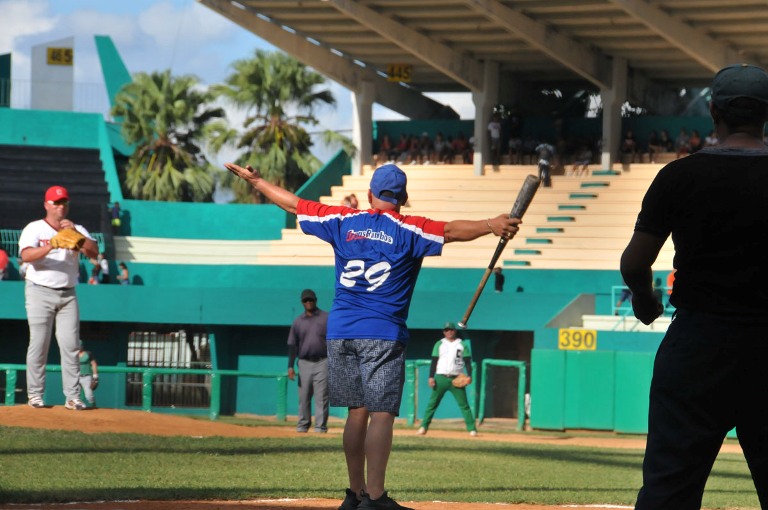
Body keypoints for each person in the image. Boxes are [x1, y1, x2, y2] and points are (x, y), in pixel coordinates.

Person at [223, 161, 521, 510]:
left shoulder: (343, 220)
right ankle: (376, 498)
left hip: (341, 331)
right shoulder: (411, 227)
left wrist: (257, 180)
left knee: (356, 413)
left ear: (369, 194)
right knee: (381, 414)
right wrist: (492, 225)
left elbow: (293, 204)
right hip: (382, 333)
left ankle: (355, 493)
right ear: (404, 198)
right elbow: (453, 231)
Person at [620, 63, 768, 509]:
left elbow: (634, 262)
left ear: (714, 112)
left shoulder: (679, 176)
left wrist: (647, 303)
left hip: (698, 345)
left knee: (669, 490)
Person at [19, 185, 99, 410]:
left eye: (64, 202)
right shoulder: (35, 228)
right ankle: (35, 394)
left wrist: (78, 237)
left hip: (67, 293)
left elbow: (94, 252)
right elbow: (26, 256)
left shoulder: (77, 229)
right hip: (39, 290)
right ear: (46, 205)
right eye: (56, 203)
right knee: (39, 343)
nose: (60, 206)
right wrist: (52, 244)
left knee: (70, 345)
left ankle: (73, 397)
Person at [417, 322, 477, 437]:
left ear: (455, 331)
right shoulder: (439, 344)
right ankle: (423, 427)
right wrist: (431, 377)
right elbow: (434, 361)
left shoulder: (462, 344)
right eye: (446, 330)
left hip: (457, 378)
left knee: (464, 405)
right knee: (432, 404)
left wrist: (469, 375)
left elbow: (468, 361)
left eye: (451, 330)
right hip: (441, 377)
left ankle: (472, 429)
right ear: (443, 332)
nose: (449, 332)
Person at [287, 289, 330, 433]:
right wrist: (290, 366)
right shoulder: (298, 321)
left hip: (323, 361)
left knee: (321, 396)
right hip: (304, 362)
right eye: (305, 300)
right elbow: (293, 344)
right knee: (304, 396)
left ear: (315, 300)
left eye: (310, 300)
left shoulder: (326, 318)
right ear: (302, 302)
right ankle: (303, 425)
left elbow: (333, 340)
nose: (308, 302)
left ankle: (320, 427)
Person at [78, 342, 99, 408]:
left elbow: (94, 364)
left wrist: (95, 376)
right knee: (75, 395)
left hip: (86, 376)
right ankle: (79, 407)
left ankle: (93, 406)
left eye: (80, 345)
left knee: (89, 395)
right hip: (76, 376)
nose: (79, 346)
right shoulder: (73, 354)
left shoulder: (88, 353)